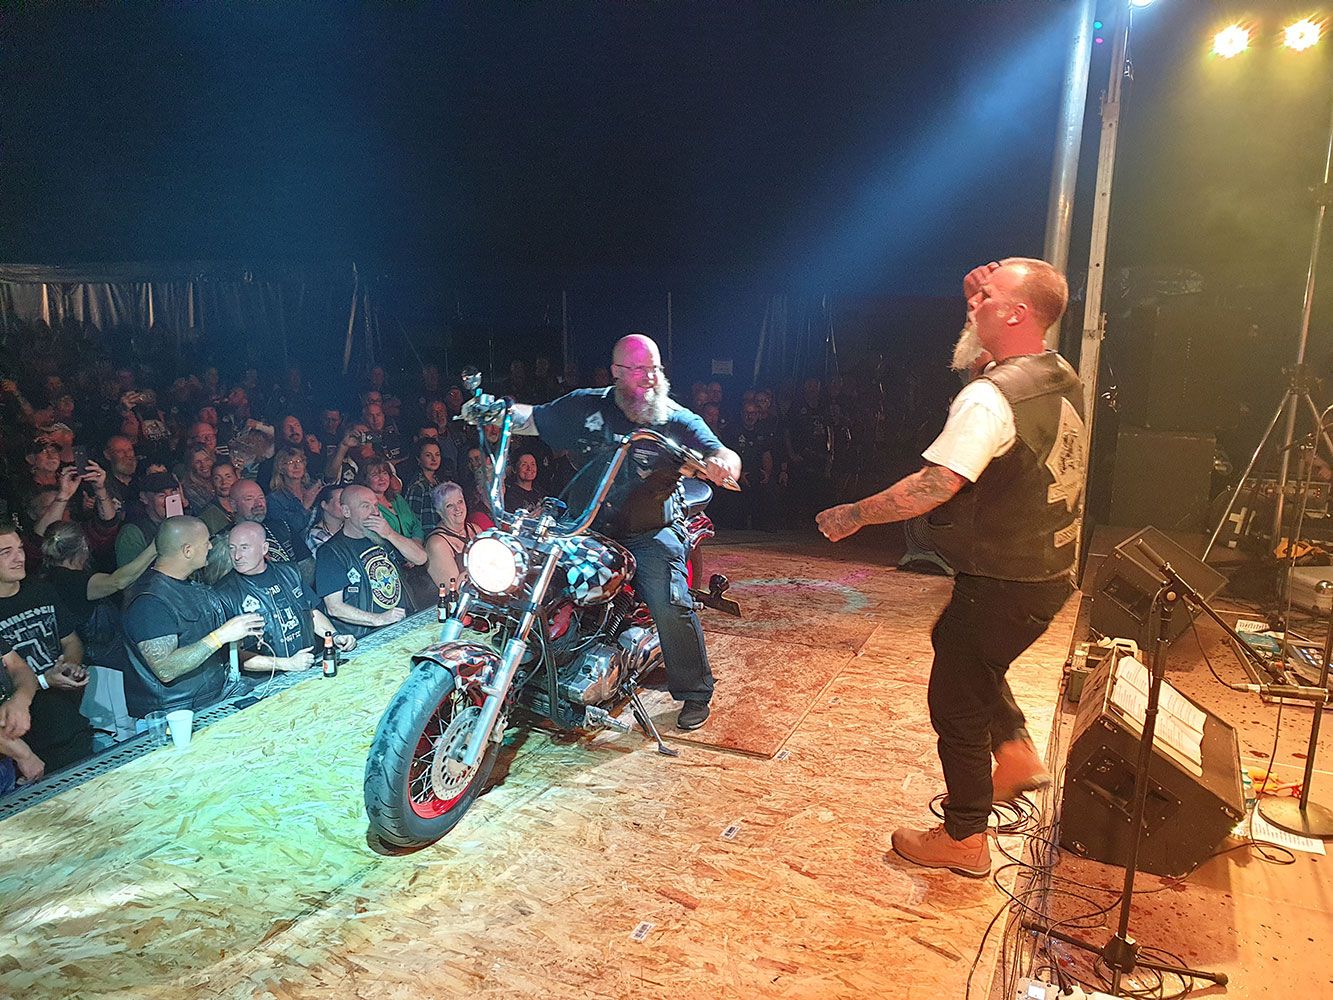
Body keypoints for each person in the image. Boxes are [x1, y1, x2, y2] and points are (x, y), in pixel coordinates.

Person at [816, 257, 1084, 879]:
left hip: (1005, 579)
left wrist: (853, 515)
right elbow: (991, 371)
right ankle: (1014, 750)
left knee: (957, 702)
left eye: (987, 297)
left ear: (1017, 313)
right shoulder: (1054, 371)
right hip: (1046, 572)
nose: (974, 302)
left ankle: (964, 838)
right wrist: (979, 310)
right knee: (966, 652)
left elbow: (937, 483)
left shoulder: (988, 398)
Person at [494, 333, 741, 731]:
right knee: (531, 577)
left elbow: (722, 452)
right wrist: (494, 413)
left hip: (649, 529)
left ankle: (695, 690)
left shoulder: (675, 420)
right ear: (616, 372)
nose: (650, 377)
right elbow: (534, 419)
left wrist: (723, 463)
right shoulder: (586, 406)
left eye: (654, 368)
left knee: (668, 600)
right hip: (585, 524)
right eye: (639, 369)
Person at [122, 516, 265, 719]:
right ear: (187, 551)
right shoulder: (149, 602)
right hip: (175, 714)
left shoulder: (191, 587)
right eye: (206, 542)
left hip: (212, 699)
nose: (210, 546)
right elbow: (165, 668)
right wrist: (221, 636)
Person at [0, 522, 94, 772]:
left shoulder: (40, 590)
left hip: (68, 722)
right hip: (24, 740)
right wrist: (44, 680)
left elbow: (71, 641)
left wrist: (70, 666)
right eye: (6, 552)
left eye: (20, 548)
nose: (19, 557)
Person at [214, 522, 355, 678]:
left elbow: (311, 613)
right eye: (232, 548)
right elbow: (233, 656)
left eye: (244, 548)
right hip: (264, 683)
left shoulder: (290, 573)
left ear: (264, 548)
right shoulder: (223, 593)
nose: (237, 556)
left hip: (308, 668)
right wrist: (286, 663)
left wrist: (335, 637)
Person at [314, 484, 426, 638]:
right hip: (367, 636)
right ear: (346, 511)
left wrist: (390, 534)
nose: (375, 512)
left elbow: (420, 558)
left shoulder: (383, 537)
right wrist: (379, 619)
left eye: (375, 505)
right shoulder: (331, 552)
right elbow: (334, 607)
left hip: (404, 625)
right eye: (365, 506)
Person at [114, 470, 185, 567]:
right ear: (144, 498)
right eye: (162, 495)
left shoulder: (186, 524)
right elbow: (128, 573)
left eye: (173, 493)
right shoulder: (132, 533)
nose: (169, 500)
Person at [231, 478, 310, 563]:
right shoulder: (227, 540)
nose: (259, 504)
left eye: (261, 498)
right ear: (234, 505)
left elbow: (307, 563)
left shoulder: (283, 527)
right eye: (249, 499)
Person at [425, 481, 479, 588]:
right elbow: (454, 589)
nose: (457, 508)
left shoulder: (476, 530)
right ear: (440, 512)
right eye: (449, 505)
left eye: (460, 502)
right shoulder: (437, 543)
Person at [360, 459, 423, 546]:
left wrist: (416, 544)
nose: (382, 478)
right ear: (365, 480)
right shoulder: (366, 505)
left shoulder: (398, 498)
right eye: (375, 475)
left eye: (385, 473)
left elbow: (416, 525)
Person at [402, 438, 447, 532]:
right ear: (418, 458)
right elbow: (412, 521)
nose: (434, 459)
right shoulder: (417, 486)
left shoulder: (440, 482)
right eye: (428, 455)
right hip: (427, 536)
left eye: (437, 455)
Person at [306, 483, 344, 553]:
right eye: (340, 502)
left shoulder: (350, 528)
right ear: (324, 505)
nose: (345, 506)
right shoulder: (316, 535)